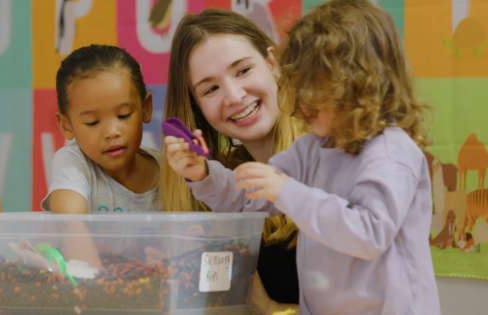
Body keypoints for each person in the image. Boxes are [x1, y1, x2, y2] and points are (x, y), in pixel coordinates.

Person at [166, 0, 441, 314]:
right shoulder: (313, 148)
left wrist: (285, 190)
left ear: (359, 86)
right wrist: (203, 174)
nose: (300, 99)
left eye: (313, 87)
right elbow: (247, 199)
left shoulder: (391, 152)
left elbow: (369, 234)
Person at [159, 8, 302, 314]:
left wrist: (272, 309)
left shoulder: (330, 157)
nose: (235, 96)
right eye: (210, 89)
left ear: (273, 64)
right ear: (197, 109)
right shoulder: (214, 187)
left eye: (243, 70)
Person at [41, 44, 161, 268]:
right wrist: (100, 290)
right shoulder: (74, 163)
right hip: (94, 293)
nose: (112, 132)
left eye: (124, 115)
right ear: (66, 125)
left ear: (146, 108)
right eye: (93, 122)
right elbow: (70, 224)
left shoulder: (170, 169)